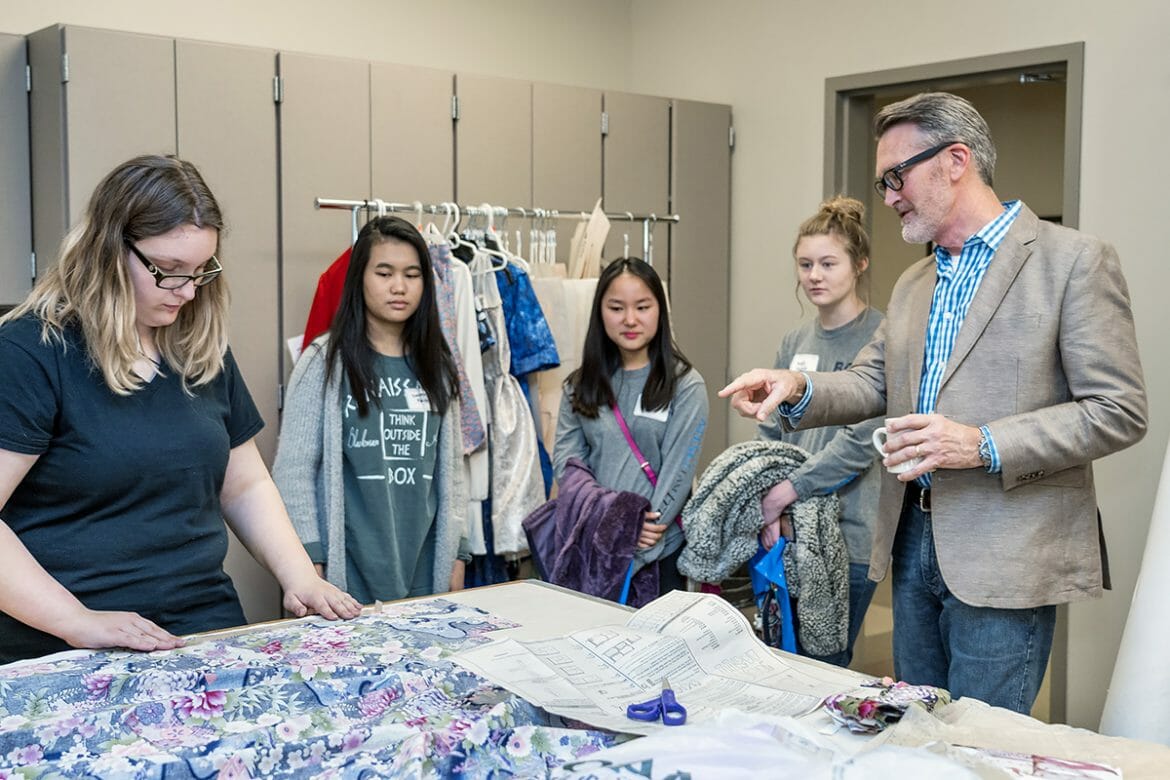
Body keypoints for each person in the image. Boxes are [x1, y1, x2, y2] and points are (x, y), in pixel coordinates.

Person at [721, 92, 1147, 713]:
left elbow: (1117, 409)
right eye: (883, 181)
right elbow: (872, 383)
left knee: (983, 744)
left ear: (955, 160)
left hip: (1006, 553)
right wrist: (797, 386)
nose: (888, 196)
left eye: (896, 176)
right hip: (912, 542)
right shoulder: (914, 281)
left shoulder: (1074, 262)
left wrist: (981, 444)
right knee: (918, 733)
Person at [0, 155, 362, 663]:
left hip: (199, 625)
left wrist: (301, 576)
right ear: (108, 250)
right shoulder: (30, 353)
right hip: (65, 642)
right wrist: (76, 621)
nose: (188, 291)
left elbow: (245, 484)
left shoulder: (199, 348)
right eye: (168, 271)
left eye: (200, 271)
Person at [274, 216, 469, 605]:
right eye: (384, 273)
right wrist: (309, 559)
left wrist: (458, 551)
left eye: (412, 275)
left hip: (424, 568)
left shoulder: (438, 366)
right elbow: (293, 470)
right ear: (359, 279)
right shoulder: (323, 362)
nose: (399, 286)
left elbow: (451, 471)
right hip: (344, 575)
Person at [757, 196, 883, 668]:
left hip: (849, 534)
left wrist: (789, 491)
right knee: (781, 660)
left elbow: (861, 441)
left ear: (859, 264)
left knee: (824, 664)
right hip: (786, 524)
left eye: (829, 264)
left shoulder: (881, 336)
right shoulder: (795, 341)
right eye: (805, 264)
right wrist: (772, 503)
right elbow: (770, 429)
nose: (814, 275)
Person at [553, 257, 708, 594]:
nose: (630, 319)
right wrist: (616, 524)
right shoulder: (578, 387)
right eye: (616, 308)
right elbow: (568, 468)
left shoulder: (685, 385)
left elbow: (679, 472)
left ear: (660, 310)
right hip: (595, 547)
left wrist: (642, 531)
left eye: (642, 307)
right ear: (600, 312)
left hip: (660, 552)